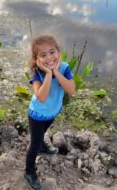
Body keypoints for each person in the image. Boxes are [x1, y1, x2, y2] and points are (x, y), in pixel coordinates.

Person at [24, 35, 75, 190]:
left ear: (58, 52)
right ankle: (29, 172)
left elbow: (71, 90)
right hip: (37, 115)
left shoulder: (64, 67)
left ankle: (43, 147)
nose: (49, 57)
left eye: (52, 52)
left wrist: (56, 72)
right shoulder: (36, 72)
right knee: (34, 144)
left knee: (43, 134)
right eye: (43, 55)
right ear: (37, 58)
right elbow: (41, 97)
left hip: (53, 112)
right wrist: (48, 73)